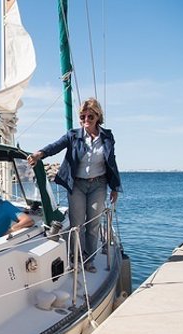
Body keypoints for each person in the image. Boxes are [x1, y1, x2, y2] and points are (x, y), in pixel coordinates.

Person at [27, 97, 122, 272]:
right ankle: (76, 257)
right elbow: (56, 146)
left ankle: (89, 260)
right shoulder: (73, 135)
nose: (86, 120)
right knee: (77, 224)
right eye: (83, 117)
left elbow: (112, 161)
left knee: (93, 224)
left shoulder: (107, 136)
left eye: (90, 117)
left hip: (99, 184)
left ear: (97, 116)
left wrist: (115, 187)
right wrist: (40, 153)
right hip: (77, 184)